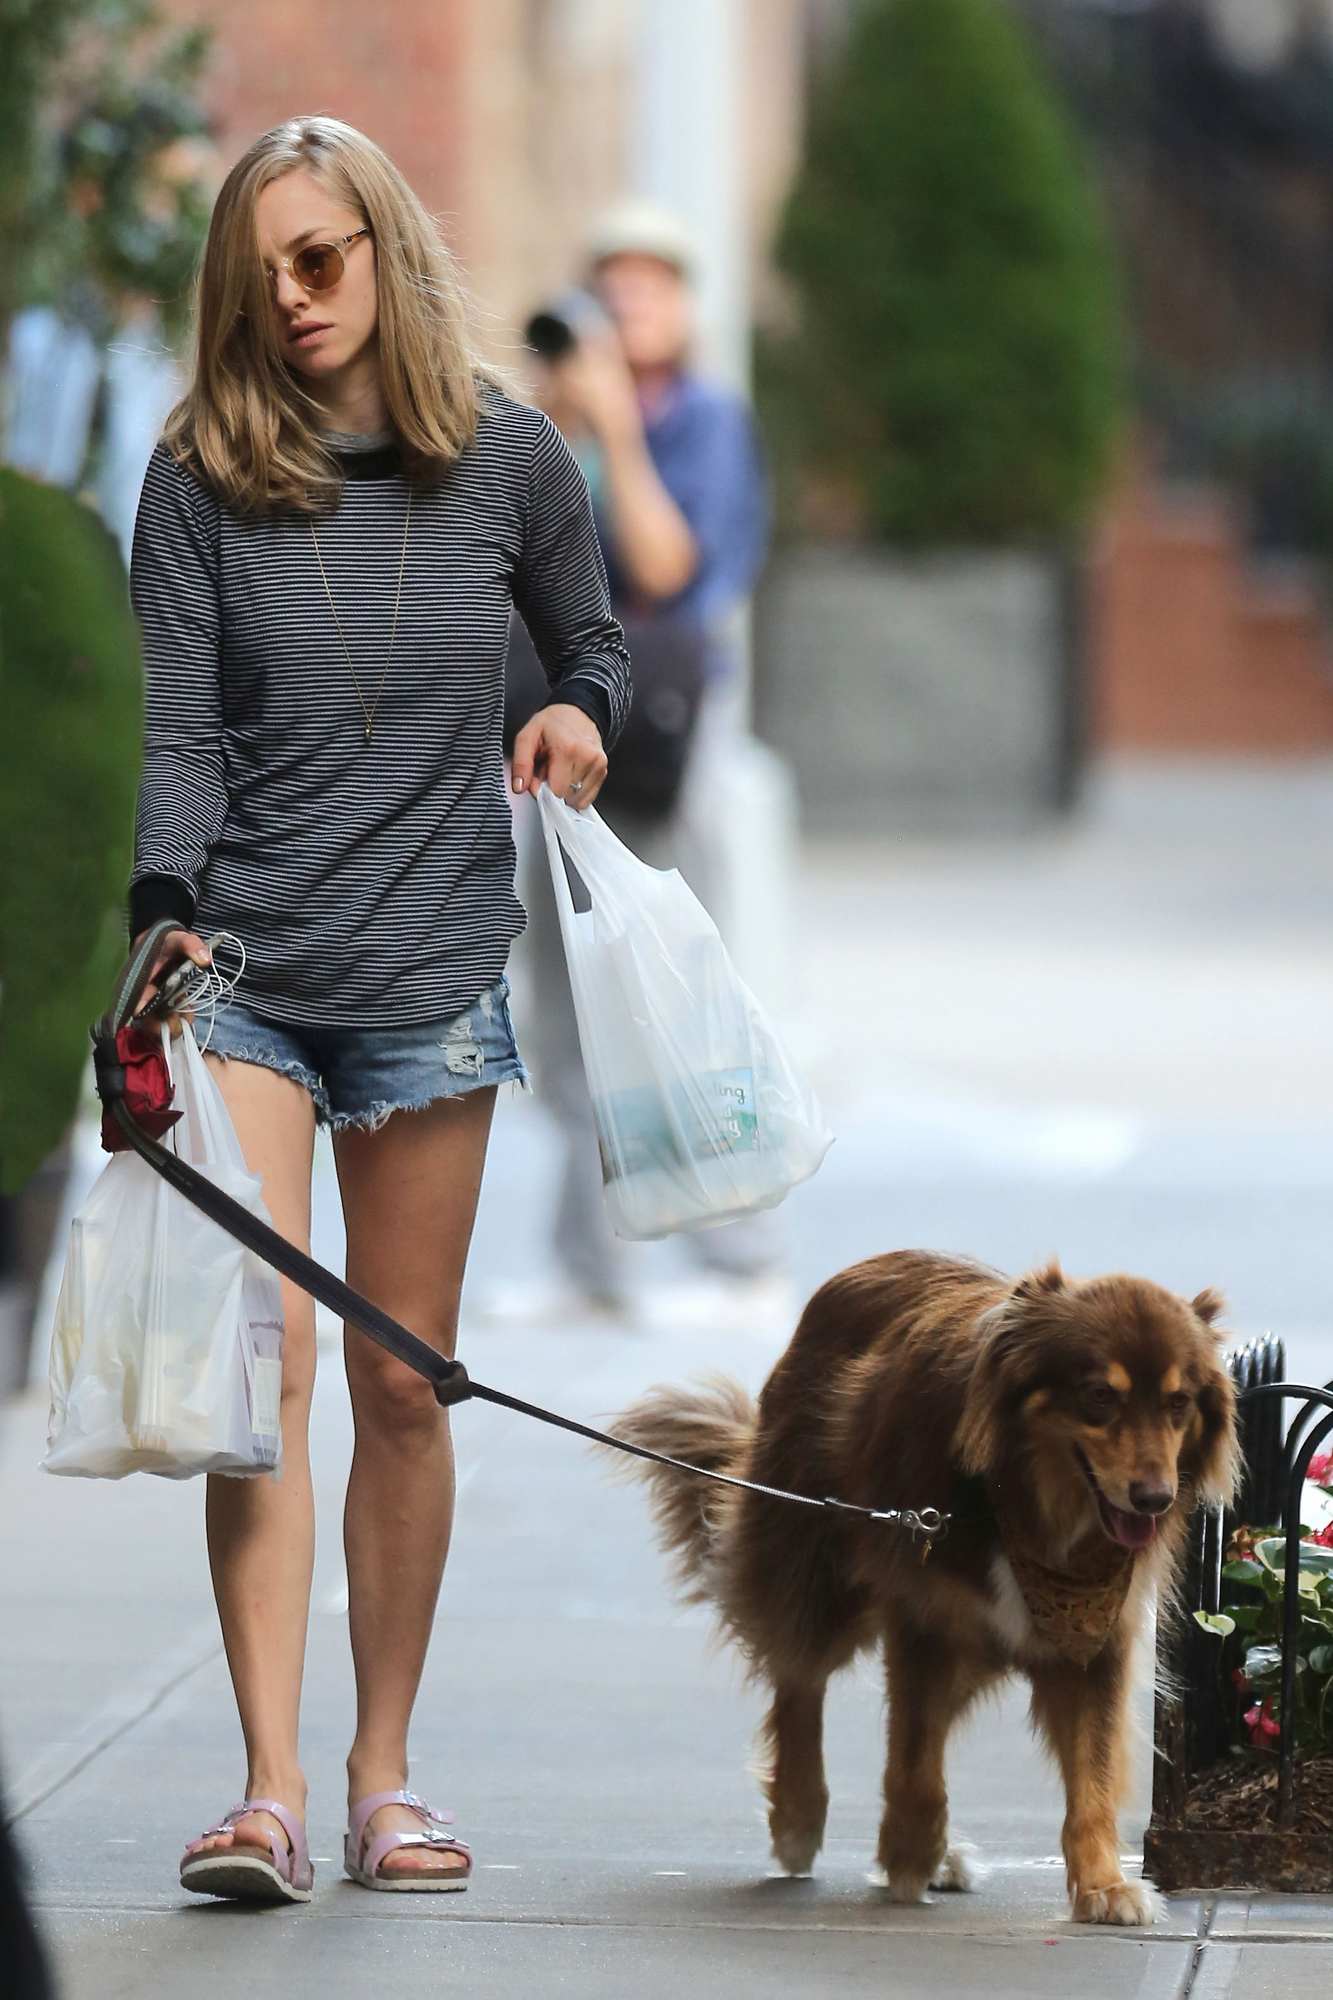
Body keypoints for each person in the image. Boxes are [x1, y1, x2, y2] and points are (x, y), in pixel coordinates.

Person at [124, 115, 630, 1902]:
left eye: (321, 257)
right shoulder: (196, 478)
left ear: (388, 251)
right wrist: (162, 906)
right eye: (261, 269)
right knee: (264, 1370)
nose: (292, 295)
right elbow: (182, 734)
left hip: (428, 972)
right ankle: (265, 1787)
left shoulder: (506, 459)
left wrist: (576, 717)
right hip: (249, 973)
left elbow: (595, 644)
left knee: (406, 1385)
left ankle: (379, 1775)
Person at [496, 199, 785, 1327]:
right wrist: (538, 431)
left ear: (682, 302)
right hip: (553, 736)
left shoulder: (705, 421)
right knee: (565, 1005)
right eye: (607, 291)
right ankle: (590, 1264)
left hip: (657, 742)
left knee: (683, 986)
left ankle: (741, 1256)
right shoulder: (551, 425)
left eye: (648, 288)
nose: (626, 310)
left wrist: (615, 433)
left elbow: (667, 569)